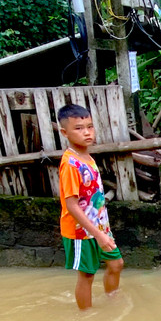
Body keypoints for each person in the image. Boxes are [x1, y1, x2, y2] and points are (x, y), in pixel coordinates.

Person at [56, 103, 123, 309]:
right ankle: (85, 317)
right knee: (87, 275)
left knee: (116, 264)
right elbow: (72, 206)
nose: (86, 132)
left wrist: (102, 232)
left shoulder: (87, 157)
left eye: (90, 127)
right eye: (79, 128)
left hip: (99, 227)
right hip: (80, 231)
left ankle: (112, 302)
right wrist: (98, 235)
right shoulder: (70, 164)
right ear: (64, 132)